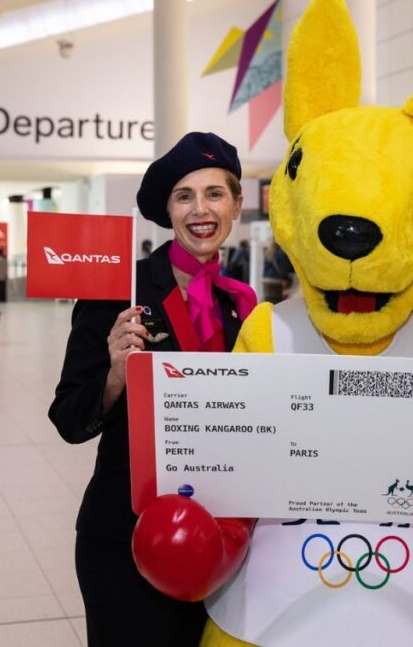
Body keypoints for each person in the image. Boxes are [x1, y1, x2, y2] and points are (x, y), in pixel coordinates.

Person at [48, 132, 256, 647]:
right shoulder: (121, 290)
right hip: (128, 538)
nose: (200, 209)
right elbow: (69, 418)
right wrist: (117, 373)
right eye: (184, 196)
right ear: (168, 210)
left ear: (236, 204)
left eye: (214, 193)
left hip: (224, 540)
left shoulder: (246, 306)